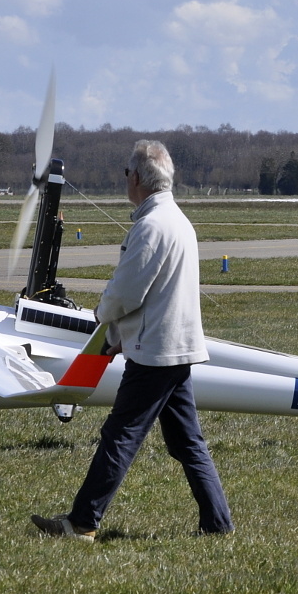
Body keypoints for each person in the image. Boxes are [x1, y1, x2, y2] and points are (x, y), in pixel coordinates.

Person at [32, 140, 233, 542]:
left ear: (136, 178)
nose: (126, 181)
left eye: (127, 175)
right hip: (176, 348)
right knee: (186, 442)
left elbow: (126, 293)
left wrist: (101, 314)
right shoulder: (177, 219)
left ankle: (83, 523)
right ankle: (218, 524)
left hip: (155, 353)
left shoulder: (152, 225)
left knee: (120, 435)